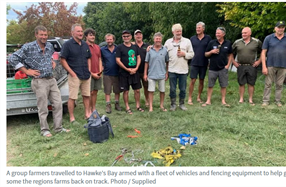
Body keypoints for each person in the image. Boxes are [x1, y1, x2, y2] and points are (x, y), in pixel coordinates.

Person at [8, 25, 70, 137]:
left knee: (58, 104)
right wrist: (26, 71)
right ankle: (44, 130)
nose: (44, 37)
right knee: (43, 107)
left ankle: (58, 128)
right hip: (39, 81)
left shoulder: (50, 46)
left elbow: (50, 56)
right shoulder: (28, 47)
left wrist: (52, 61)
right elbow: (12, 58)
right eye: (41, 34)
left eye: (45, 35)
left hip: (51, 79)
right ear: (36, 35)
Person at [60, 23, 92, 123]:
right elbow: (62, 60)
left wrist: (89, 70)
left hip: (86, 75)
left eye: (81, 31)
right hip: (75, 75)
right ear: (72, 32)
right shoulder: (67, 45)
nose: (80, 33)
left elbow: (89, 58)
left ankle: (87, 114)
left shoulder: (85, 44)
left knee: (86, 95)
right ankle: (72, 118)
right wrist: (72, 73)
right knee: (72, 97)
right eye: (78, 31)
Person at [164, 23, 194, 111]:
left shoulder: (187, 41)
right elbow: (163, 53)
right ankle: (173, 104)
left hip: (183, 70)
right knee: (172, 89)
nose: (179, 33)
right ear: (173, 32)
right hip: (172, 69)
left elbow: (192, 54)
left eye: (180, 31)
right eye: (177, 31)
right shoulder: (168, 42)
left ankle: (182, 104)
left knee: (183, 89)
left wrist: (184, 54)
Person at [202, 27, 233, 107]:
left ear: (223, 34)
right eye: (216, 33)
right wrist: (211, 52)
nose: (217, 35)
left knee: (223, 85)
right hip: (212, 68)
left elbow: (230, 55)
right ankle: (208, 100)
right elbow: (205, 54)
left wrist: (228, 65)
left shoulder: (228, 43)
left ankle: (223, 101)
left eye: (219, 33)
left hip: (223, 68)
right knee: (210, 85)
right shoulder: (212, 42)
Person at [116, 30, 144, 114]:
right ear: (122, 37)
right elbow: (118, 60)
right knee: (126, 91)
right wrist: (127, 69)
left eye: (127, 36)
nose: (126, 38)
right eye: (124, 36)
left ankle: (138, 106)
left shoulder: (135, 47)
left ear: (131, 37)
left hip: (135, 72)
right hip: (124, 73)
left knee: (137, 90)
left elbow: (138, 58)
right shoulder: (119, 47)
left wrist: (136, 68)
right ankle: (127, 107)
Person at [232, 27, 262, 105]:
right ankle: (241, 99)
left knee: (251, 83)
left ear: (250, 33)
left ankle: (250, 99)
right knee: (241, 83)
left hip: (252, 66)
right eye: (242, 33)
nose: (243, 34)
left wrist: (259, 61)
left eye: (245, 33)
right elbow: (230, 52)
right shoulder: (237, 42)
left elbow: (263, 51)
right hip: (240, 65)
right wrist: (234, 62)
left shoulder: (257, 42)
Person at [261, 21, 286, 107]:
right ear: (275, 28)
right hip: (270, 64)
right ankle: (265, 101)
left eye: (282, 27)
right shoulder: (269, 38)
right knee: (268, 84)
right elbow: (263, 52)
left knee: (279, 84)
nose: (280, 29)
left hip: (283, 65)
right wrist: (264, 66)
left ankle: (278, 101)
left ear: (284, 28)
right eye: (279, 27)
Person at [144, 32, 169, 112]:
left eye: (159, 38)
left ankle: (161, 105)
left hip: (162, 73)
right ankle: (150, 107)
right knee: (151, 91)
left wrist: (167, 72)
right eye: (156, 38)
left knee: (162, 91)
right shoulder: (149, 50)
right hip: (151, 74)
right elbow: (146, 62)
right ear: (154, 39)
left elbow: (167, 61)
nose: (158, 40)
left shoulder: (165, 50)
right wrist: (145, 74)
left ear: (161, 39)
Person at [188, 22, 212, 105]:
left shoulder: (208, 38)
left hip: (204, 62)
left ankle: (199, 97)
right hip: (194, 62)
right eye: (197, 28)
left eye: (199, 28)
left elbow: (210, 50)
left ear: (203, 29)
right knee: (193, 80)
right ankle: (190, 98)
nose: (197, 29)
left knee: (201, 80)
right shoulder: (192, 39)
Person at [101, 33, 122, 113]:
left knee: (117, 90)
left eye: (111, 39)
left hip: (117, 72)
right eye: (108, 39)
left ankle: (117, 104)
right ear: (106, 40)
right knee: (107, 90)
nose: (109, 41)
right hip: (107, 73)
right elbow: (101, 60)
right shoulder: (102, 50)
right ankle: (108, 105)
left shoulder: (118, 49)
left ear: (113, 40)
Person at [84, 28, 102, 112]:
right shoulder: (84, 47)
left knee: (95, 92)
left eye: (93, 35)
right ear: (86, 36)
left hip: (97, 72)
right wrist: (91, 73)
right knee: (89, 92)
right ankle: (89, 110)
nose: (92, 37)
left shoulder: (97, 47)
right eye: (90, 35)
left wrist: (100, 71)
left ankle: (94, 108)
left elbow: (99, 59)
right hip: (89, 73)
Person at [133, 29, 150, 108]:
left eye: (140, 34)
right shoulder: (132, 46)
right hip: (135, 70)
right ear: (134, 36)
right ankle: (138, 103)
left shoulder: (147, 46)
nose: (138, 36)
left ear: (142, 36)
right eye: (137, 34)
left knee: (146, 86)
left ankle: (147, 101)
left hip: (145, 70)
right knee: (136, 88)